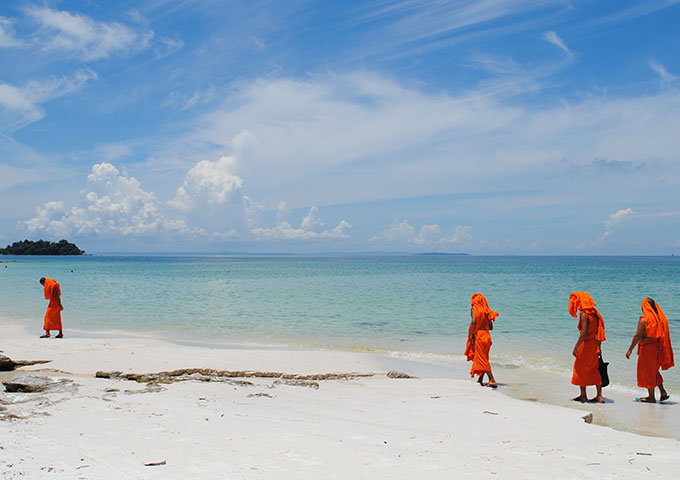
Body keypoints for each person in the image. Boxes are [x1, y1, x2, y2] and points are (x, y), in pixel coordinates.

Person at [625, 297, 674, 403]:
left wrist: (630, 350)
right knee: (654, 371)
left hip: (647, 350)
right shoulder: (660, 318)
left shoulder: (644, 320)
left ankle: (651, 397)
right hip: (657, 348)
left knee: (648, 372)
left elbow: (637, 336)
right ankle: (663, 392)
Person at [568, 291, 606, 403]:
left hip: (586, 346)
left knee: (580, 369)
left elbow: (584, 333)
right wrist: (600, 347)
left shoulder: (584, 315)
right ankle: (599, 395)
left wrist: (576, 347)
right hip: (594, 345)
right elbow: (599, 332)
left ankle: (583, 395)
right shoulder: (595, 314)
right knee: (595, 369)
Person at [464, 293, 499, 388]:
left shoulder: (475, 309)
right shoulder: (487, 311)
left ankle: (492, 379)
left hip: (479, 336)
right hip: (487, 336)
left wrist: (471, 334)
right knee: (483, 357)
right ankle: (480, 379)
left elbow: (474, 321)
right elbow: (491, 327)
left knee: (481, 358)